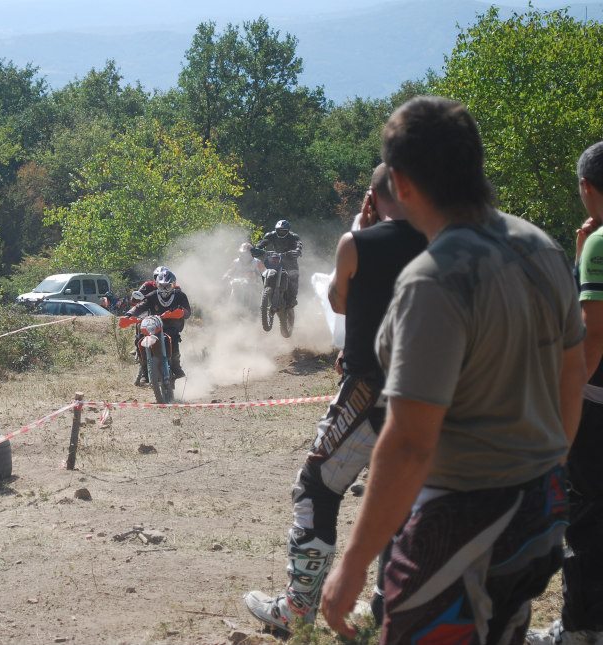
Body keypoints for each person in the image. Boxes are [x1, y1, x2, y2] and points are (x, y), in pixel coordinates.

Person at [319, 96, 585, 643]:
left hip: (461, 523)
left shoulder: (434, 280)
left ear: (401, 182)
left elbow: (410, 442)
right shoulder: (541, 247)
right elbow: (572, 374)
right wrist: (549, 468)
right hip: (538, 510)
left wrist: (353, 563)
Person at [243, 163, 427, 634]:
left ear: (373, 197)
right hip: (430, 391)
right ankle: (389, 607)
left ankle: (298, 609)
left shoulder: (358, 243)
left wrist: (361, 233)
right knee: (405, 496)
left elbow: (339, 302)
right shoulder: (443, 241)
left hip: (370, 387)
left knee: (316, 487)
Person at [529, 142, 603, 645]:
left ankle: (579, 630)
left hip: (597, 407)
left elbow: (592, 335)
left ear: (586, 187)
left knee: (584, 522)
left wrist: (562, 409)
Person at [126, 269, 191, 379]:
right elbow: (140, 306)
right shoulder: (152, 295)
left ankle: (176, 366)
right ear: (157, 285)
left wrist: (181, 312)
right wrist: (129, 314)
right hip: (153, 325)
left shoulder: (180, 295)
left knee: (174, 338)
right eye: (161, 286)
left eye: (167, 286)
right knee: (141, 337)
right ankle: (145, 370)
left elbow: (188, 312)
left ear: (173, 285)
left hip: (172, 326)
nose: (164, 289)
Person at [254, 219, 302, 306]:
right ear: (276, 230)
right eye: (279, 230)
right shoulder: (271, 235)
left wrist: (297, 250)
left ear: (288, 230)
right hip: (276, 259)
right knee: (265, 272)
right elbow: (263, 242)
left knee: (293, 275)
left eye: (283, 231)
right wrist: (257, 249)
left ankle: (292, 299)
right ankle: (265, 292)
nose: (281, 232)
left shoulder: (293, 237)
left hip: (290, 260)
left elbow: (298, 244)